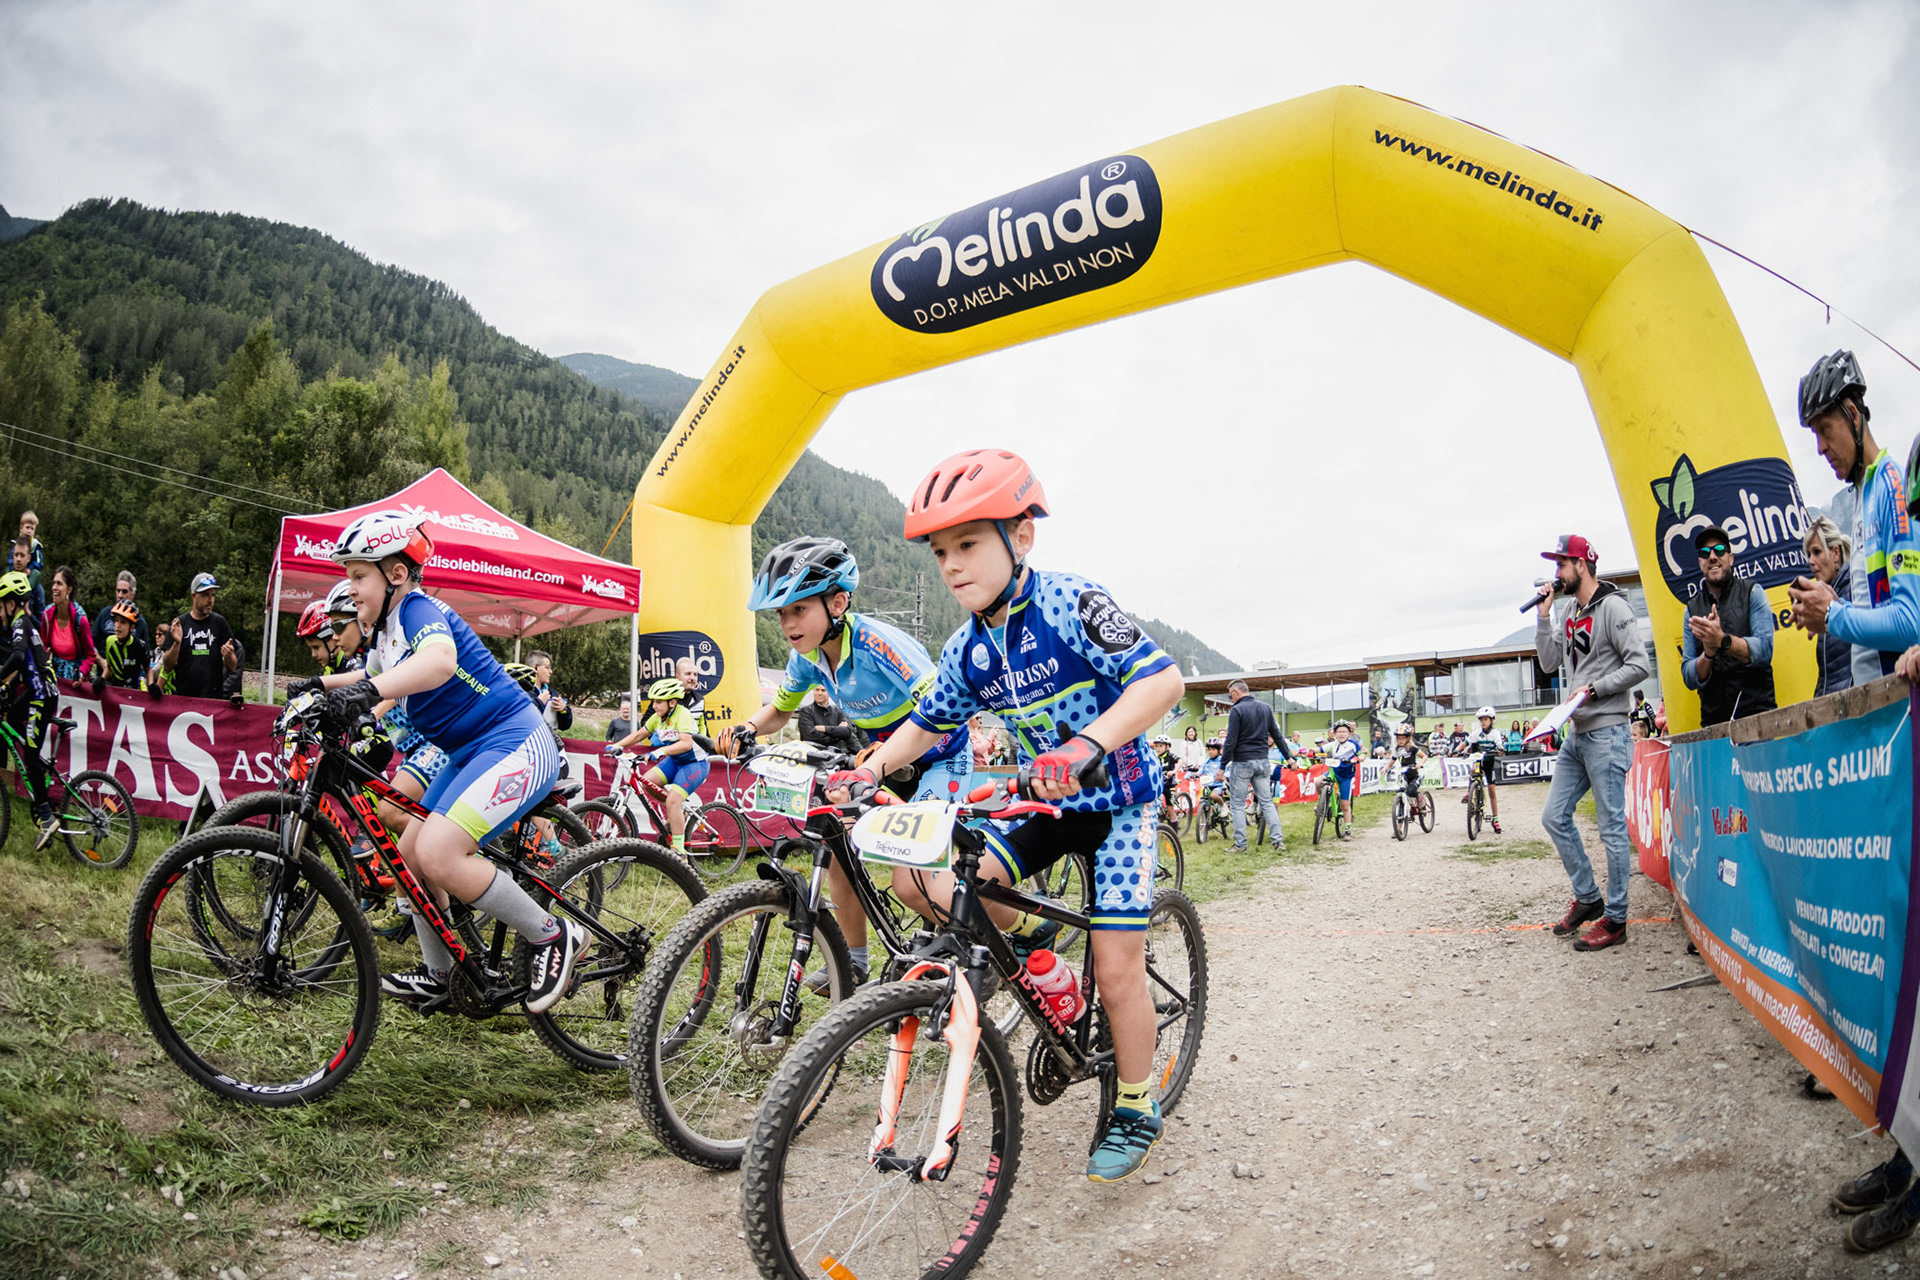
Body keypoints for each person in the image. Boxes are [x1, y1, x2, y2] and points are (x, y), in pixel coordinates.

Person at [839, 447, 1184, 1184]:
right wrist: (868, 771)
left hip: (1119, 804)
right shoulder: (967, 646)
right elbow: (927, 724)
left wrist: (1087, 745)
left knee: (1117, 968)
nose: (952, 565)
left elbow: (1162, 681)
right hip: (1044, 806)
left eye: (968, 544)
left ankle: (1135, 1103)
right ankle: (1038, 949)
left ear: (1021, 536)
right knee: (924, 881)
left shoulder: (1072, 603)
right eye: (941, 552)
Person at [293, 512, 584, 1012]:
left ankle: (553, 934)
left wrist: (365, 692)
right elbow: (371, 677)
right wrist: (317, 687)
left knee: (439, 853)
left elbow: (439, 662)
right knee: (409, 850)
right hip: (471, 752)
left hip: (516, 741)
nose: (351, 588)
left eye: (359, 575)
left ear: (396, 574)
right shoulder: (386, 633)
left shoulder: (417, 609)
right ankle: (443, 975)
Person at [731, 536, 971, 991]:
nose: (787, 623)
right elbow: (780, 710)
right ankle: (854, 963)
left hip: (940, 757)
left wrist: (880, 759)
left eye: (798, 609)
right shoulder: (808, 658)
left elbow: (939, 709)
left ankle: (977, 944)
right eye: (781, 613)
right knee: (839, 848)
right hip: (881, 763)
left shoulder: (878, 643)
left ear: (837, 603)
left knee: (912, 879)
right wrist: (746, 727)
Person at [1533, 534, 1650, 953]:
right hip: (1577, 733)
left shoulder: (1614, 607)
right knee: (1554, 816)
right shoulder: (1568, 610)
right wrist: (1543, 618)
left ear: (1581, 565)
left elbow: (1639, 664)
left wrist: (1595, 689)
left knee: (1612, 829)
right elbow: (1549, 663)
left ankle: (1616, 919)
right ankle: (1588, 896)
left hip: (1608, 732)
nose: (1556, 572)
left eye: (1561, 564)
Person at [1789, 351, 1920, 689]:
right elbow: (1875, 612)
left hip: (1898, 704)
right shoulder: (1864, 492)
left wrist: (1833, 614)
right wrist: (1830, 605)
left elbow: (1911, 621)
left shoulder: (1892, 486)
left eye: (1824, 430)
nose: (1820, 447)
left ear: (1852, 414)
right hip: (1873, 705)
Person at [1679, 524, 1777, 726]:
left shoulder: (1752, 592)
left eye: (1719, 550)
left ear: (1730, 558)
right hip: (1715, 726)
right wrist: (1708, 654)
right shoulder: (1691, 610)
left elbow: (1765, 649)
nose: (1712, 557)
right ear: (1700, 562)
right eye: (1705, 553)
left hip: (1757, 719)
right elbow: (1688, 675)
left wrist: (1723, 640)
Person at [608, 678, 709, 854]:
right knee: (647, 782)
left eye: (658, 702)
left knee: (672, 801)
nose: (654, 706)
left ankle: (679, 852)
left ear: (672, 702)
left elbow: (686, 744)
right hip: (675, 761)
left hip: (695, 763)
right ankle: (678, 809)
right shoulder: (657, 718)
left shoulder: (683, 714)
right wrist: (617, 746)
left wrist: (660, 751)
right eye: (653, 701)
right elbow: (639, 735)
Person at [0, 571, 57, 846]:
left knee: (30, 756)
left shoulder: (20, 623)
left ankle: (46, 816)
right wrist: (7, 688)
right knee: (12, 718)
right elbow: (27, 668)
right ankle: (38, 772)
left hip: (41, 697)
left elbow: (18, 656)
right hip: (37, 692)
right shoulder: (27, 622)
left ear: (11, 604)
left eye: (1, 606)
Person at [1221, 680, 1286, 853]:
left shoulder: (1236, 710)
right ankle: (1278, 841)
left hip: (1242, 761)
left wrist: (1222, 766)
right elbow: (1277, 735)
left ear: (1236, 692)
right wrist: (1289, 758)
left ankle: (1240, 844)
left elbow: (1230, 741)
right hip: (1262, 761)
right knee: (1267, 802)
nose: (1231, 699)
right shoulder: (1265, 708)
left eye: (1230, 695)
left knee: (1237, 804)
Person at [164, 573, 243, 707]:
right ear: (194, 596)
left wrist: (229, 655)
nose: (210, 600)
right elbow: (167, 666)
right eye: (206, 595)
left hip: (213, 700)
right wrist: (176, 643)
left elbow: (233, 666)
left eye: (213, 595)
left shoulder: (220, 623)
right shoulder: (180, 623)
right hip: (184, 699)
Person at [1803, 516, 1855, 698]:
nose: (1811, 561)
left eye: (1817, 552)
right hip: (1832, 703)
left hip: (1854, 702)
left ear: (1836, 553)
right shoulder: (1825, 601)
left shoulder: (1855, 589)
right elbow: (1828, 675)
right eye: (1809, 554)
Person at [40, 565, 97, 683]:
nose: (54, 587)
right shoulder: (47, 615)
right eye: (53, 583)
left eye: (59, 584)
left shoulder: (80, 620)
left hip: (75, 681)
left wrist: (81, 673)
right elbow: (43, 646)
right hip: (53, 678)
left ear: (69, 590)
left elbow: (90, 655)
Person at [1463, 705, 1504, 834]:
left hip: (1489, 763)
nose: (1483, 722)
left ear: (1492, 720)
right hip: (1479, 761)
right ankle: (1470, 792)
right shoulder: (1477, 733)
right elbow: (1467, 742)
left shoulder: (1495, 733)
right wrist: (1455, 750)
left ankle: (1495, 819)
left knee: (1492, 790)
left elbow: (1499, 743)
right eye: (1481, 720)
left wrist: (1500, 749)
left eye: (1486, 719)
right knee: (1473, 770)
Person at [295, 600, 356, 677]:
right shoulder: (331, 667)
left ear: (333, 638)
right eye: (311, 648)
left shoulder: (352, 664)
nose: (313, 654)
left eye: (316, 647)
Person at [98, 601, 149, 691]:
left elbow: (148, 669)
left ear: (132, 627)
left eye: (123, 622)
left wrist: (151, 685)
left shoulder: (139, 645)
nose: (118, 625)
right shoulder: (110, 641)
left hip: (134, 690)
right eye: (116, 620)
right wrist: (102, 679)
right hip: (116, 689)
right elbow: (110, 667)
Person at [91, 571, 148, 651]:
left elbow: (145, 650)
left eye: (124, 591)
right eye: (118, 591)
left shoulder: (139, 621)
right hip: (104, 657)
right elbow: (91, 643)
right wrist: (99, 658)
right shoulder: (105, 613)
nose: (120, 595)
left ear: (132, 594)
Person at [796, 683, 860, 750]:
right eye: (817, 690)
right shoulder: (806, 711)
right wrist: (838, 735)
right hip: (813, 753)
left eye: (823, 690)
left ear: (830, 692)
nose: (819, 693)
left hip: (835, 754)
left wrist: (824, 728)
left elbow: (847, 732)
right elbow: (810, 736)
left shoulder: (838, 711)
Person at [1326, 719, 1362, 835]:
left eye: (1344, 731)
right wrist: (1310, 752)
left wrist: (1356, 759)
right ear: (1335, 733)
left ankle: (1347, 829)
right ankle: (1322, 805)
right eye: (1339, 732)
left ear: (1348, 733)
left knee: (1345, 805)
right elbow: (1320, 749)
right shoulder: (1333, 744)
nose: (1341, 734)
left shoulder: (1353, 744)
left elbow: (1362, 756)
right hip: (1334, 771)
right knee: (1318, 781)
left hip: (1346, 776)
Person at [527, 650, 572, 734]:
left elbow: (564, 726)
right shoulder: (522, 692)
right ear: (535, 668)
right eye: (547, 667)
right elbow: (522, 717)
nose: (551, 672)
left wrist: (563, 710)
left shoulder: (553, 694)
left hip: (548, 739)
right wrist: (539, 702)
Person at [9, 540, 44, 619]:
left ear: (29, 558)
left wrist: (28, 613)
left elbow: (42, 624)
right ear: (12, 556)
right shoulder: (4, 582)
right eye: (16, 555)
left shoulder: (36, 588)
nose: (18, 559)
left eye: (22, 555)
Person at [674, 655, 707, 727]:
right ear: (677, 677)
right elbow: (649, 726)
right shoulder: (665, 698)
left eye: (695, 675)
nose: (692, 678)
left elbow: (703, 728)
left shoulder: (699, 700)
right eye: (688, 674)